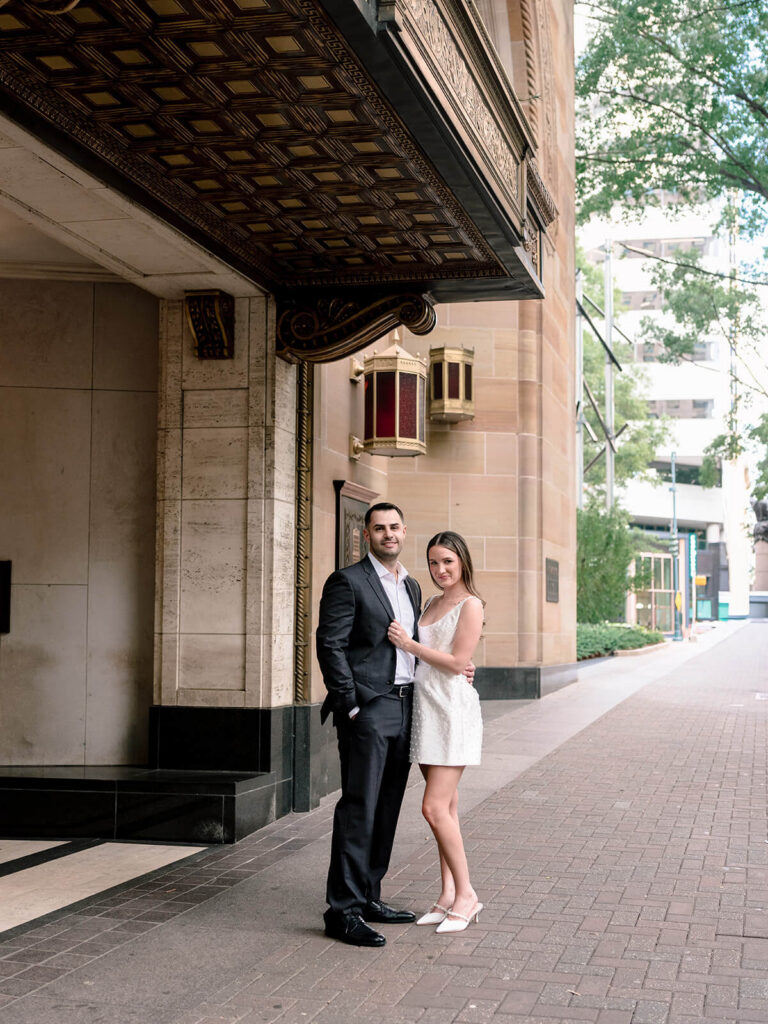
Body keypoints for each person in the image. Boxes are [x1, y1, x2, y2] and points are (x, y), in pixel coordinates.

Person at [316, 503, 474, 947]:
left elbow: (422, 646)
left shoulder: (411, 584)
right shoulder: (347, 581)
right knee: (359, 807)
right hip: (369, 709)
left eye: (394, 527)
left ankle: (368, 896)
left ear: (404, 531)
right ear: (366, 534)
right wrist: (350, 705)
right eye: (379, 528)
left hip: (409, 706)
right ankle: (342, 911)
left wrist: (463, 666)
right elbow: (330, 645)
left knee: (386, 809)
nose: (388, 534)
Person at [387, 530, 484, 934]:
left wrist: (410, 646)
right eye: (433, 562)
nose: (440, 569)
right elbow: (441, 660)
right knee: (447, 809)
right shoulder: (429, 601)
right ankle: (447, 894)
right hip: (426, 710)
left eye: (447, 561)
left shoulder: (471, 604)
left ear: (462, 560)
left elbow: (458, 659)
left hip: (451, 712)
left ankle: (467, 896)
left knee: (432, 807)